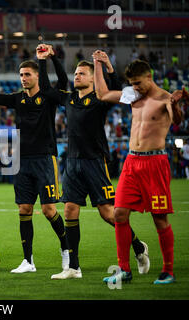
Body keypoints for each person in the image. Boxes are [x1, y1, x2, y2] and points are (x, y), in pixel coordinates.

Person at [39, 49, 149, 280]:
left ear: (92, 78)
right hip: (72, 163)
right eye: (76, 73)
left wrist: (108, 67)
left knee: (108, 214)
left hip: (96, 162)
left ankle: (138, 246)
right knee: (69, 209)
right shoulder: (69, 98)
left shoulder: (101, 99)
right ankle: (73, 267)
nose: (77, 76)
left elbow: (126, 93)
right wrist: (47, 60)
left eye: (82, 73)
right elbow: (47, 90)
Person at [0, 45, 69, 273]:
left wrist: (51, 58)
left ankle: (66, 251)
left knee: (48, 210)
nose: (23, 78)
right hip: (22, 161)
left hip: (45, 158)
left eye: (28, 74)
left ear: (38, 76)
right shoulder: (17, 99)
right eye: (21, 75)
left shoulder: (48, 97)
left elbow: (63, 83)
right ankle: (28, 261)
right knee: (24, 209)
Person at [94, 56, 184, 285]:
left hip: (155, 163)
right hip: (132, 163)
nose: (135, 88)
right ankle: (124, 270)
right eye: (132, 84)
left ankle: (168, 271)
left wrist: (174, 104)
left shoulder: (164, 98)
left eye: (138, 83)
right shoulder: (134, 95)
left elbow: (177, 122)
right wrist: (97, 64)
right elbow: (103, 94)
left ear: (149, 77)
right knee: (119, 214)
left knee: (159, 219)